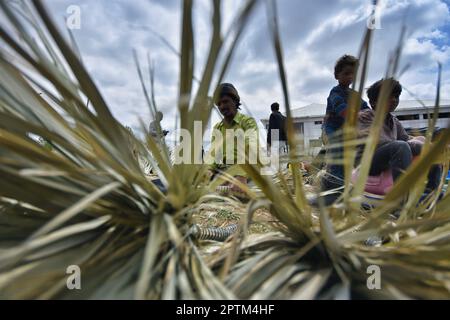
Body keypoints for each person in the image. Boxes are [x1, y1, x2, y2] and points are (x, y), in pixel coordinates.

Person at [357, 78, 442, 192]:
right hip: (368, 163)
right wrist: (418, 146)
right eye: (388, 96)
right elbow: (377, 142)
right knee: (401, 146)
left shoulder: (393, 120)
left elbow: (406, 138)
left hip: (388, 158)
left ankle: (431, 192)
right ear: (373, 102)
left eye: (396, 96)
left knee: (430, 149)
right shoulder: (364, 117)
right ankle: (401, 198)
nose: (394, 100)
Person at [321, 54, 370, 197]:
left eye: (353, 74)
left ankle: (347, 180)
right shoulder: (335, 92)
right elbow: (340, 108)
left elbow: (365, 107)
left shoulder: (354, 94)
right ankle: (335, 183)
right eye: (346, 73)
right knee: (338, 151)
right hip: (331, 128)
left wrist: (371, 114)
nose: (350, 77)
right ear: (337, 75)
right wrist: (355, 115)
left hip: (346, 130)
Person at [208, 83, 258, 193]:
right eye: (219, 104)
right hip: (223, 171)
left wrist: (241, 175)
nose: (222, 107)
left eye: (225, 101)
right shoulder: (217, 128)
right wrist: (209, 170)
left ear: (235, 101)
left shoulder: (247, 122)